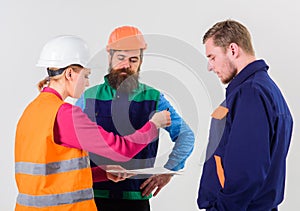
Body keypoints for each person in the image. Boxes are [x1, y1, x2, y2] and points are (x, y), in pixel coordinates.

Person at [14, 35, 171, 211]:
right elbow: (121, 151)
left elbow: (52, 173)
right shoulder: (64, 115)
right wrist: (154, 125)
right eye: (86, 75)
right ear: (70, 74)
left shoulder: (32, 110)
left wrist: (102, 173)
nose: (87, 83)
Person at [76, 26, 195, 211]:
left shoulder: (153, 98)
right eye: (121, 58)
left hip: (136, 200)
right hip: (93, 197)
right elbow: (70, 145)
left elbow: (186, 135)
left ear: (140, 62)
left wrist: (168, 171)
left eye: (133, 60)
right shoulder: (88, 97)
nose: (126, 65)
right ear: (110, 58)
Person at [197, 19, 293, 210]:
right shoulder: (263, 89)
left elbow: (248, 171)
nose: (209, 66)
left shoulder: (251, 93)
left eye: (212, 57)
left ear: (233, 50)